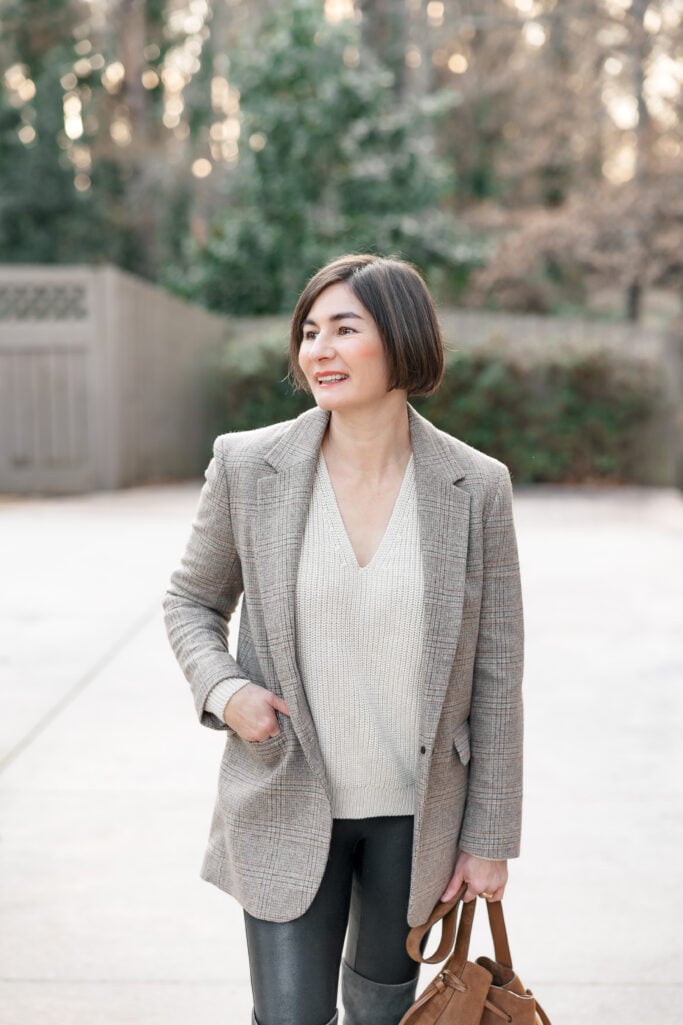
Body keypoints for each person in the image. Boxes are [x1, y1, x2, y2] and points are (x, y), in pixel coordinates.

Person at [163, 254, 524, 1025]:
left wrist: (489, 838)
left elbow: (496, 673)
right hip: (284, 796)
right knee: (289, 1016)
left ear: (400, 339)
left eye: (343, 329)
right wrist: (226, 691)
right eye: (308, 332)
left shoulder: (475, 486)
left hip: (416, 820)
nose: (317, 350)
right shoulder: (247, 466)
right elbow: (190, 600)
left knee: (382, 1014)